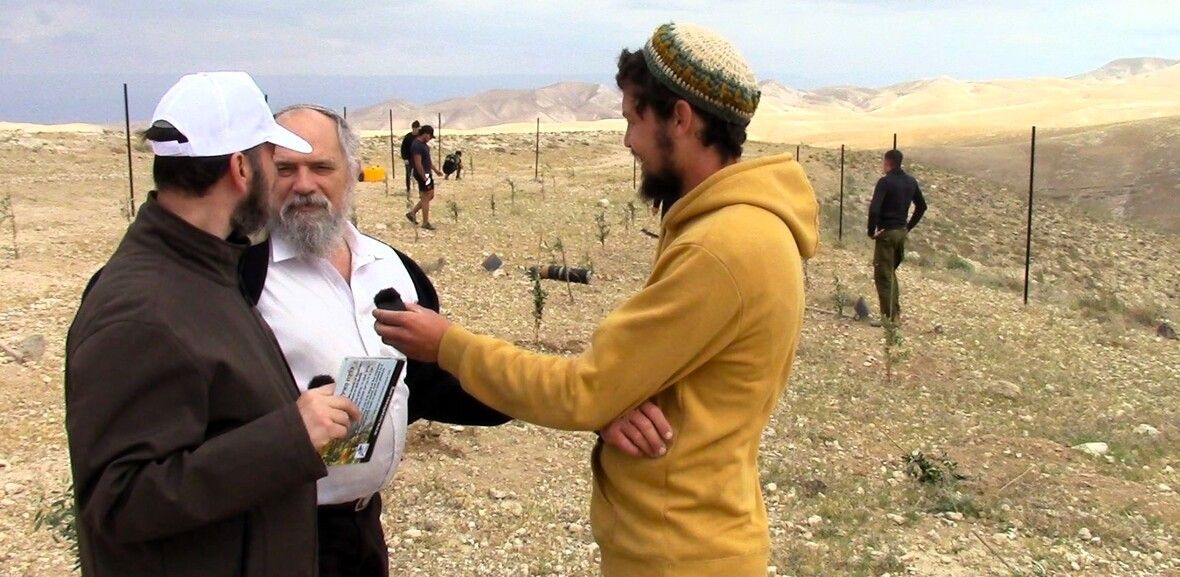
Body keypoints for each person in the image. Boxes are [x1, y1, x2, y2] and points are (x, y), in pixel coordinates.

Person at [374, 22, 818, 577]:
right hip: (688, 535)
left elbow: (583, 390)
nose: (628, 140)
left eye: (633, 118)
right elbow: (645, 382)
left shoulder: (721, 247)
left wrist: (448, 345)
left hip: (678, 554)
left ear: (680, 118)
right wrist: (614, 399)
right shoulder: (739, 228)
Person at [259, 105, 675, 577]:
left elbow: (441, 384)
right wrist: (287, 429)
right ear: (258, 174)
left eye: (321, 167)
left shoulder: (391, 268)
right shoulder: (241, 281)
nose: (304, 184)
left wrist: (586, 403)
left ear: (352, 171)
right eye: (285, 169)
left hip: (361, 529)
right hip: (274, 538)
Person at [65, 72, 361, 577]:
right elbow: (119, 500)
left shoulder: (205, 270)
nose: (284, 179)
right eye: (273, 158)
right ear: (241, 168)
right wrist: (290, 436)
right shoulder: (142, 311)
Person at [867, 148, 926, 324]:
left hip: (886, 233)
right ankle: (895, 313)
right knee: (890, 272)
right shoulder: (911, 181)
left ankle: (889, 318)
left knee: (883, 276)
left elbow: (874, 209)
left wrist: (871, 231)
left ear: (887, 162)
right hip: (900, 232)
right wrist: (908, 227)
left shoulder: (885, 182)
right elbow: (922, 206)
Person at [405, 125, 442, 230]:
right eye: (430, 136)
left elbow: (427, 161)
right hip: (423, 174)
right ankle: (425, 222)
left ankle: (412, 213)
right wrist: (423, 177)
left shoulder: (424, 145)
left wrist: (436, 170)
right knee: (426, 197)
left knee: (430, 195)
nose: (430, 139)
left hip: (427, 173)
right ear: (425, 134)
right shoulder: (417, 145)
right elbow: (418, 163)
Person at [398, 120, 420, 194]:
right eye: (416, 128)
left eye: (418, 128)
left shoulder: (420, 136)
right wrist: (405, 158)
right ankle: (408, 189)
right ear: (413, 128)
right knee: (408, 174)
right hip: (409, 159)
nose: (417, 130)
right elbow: (403, 148)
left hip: (418, 159)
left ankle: (420, 189)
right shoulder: (408, 137)